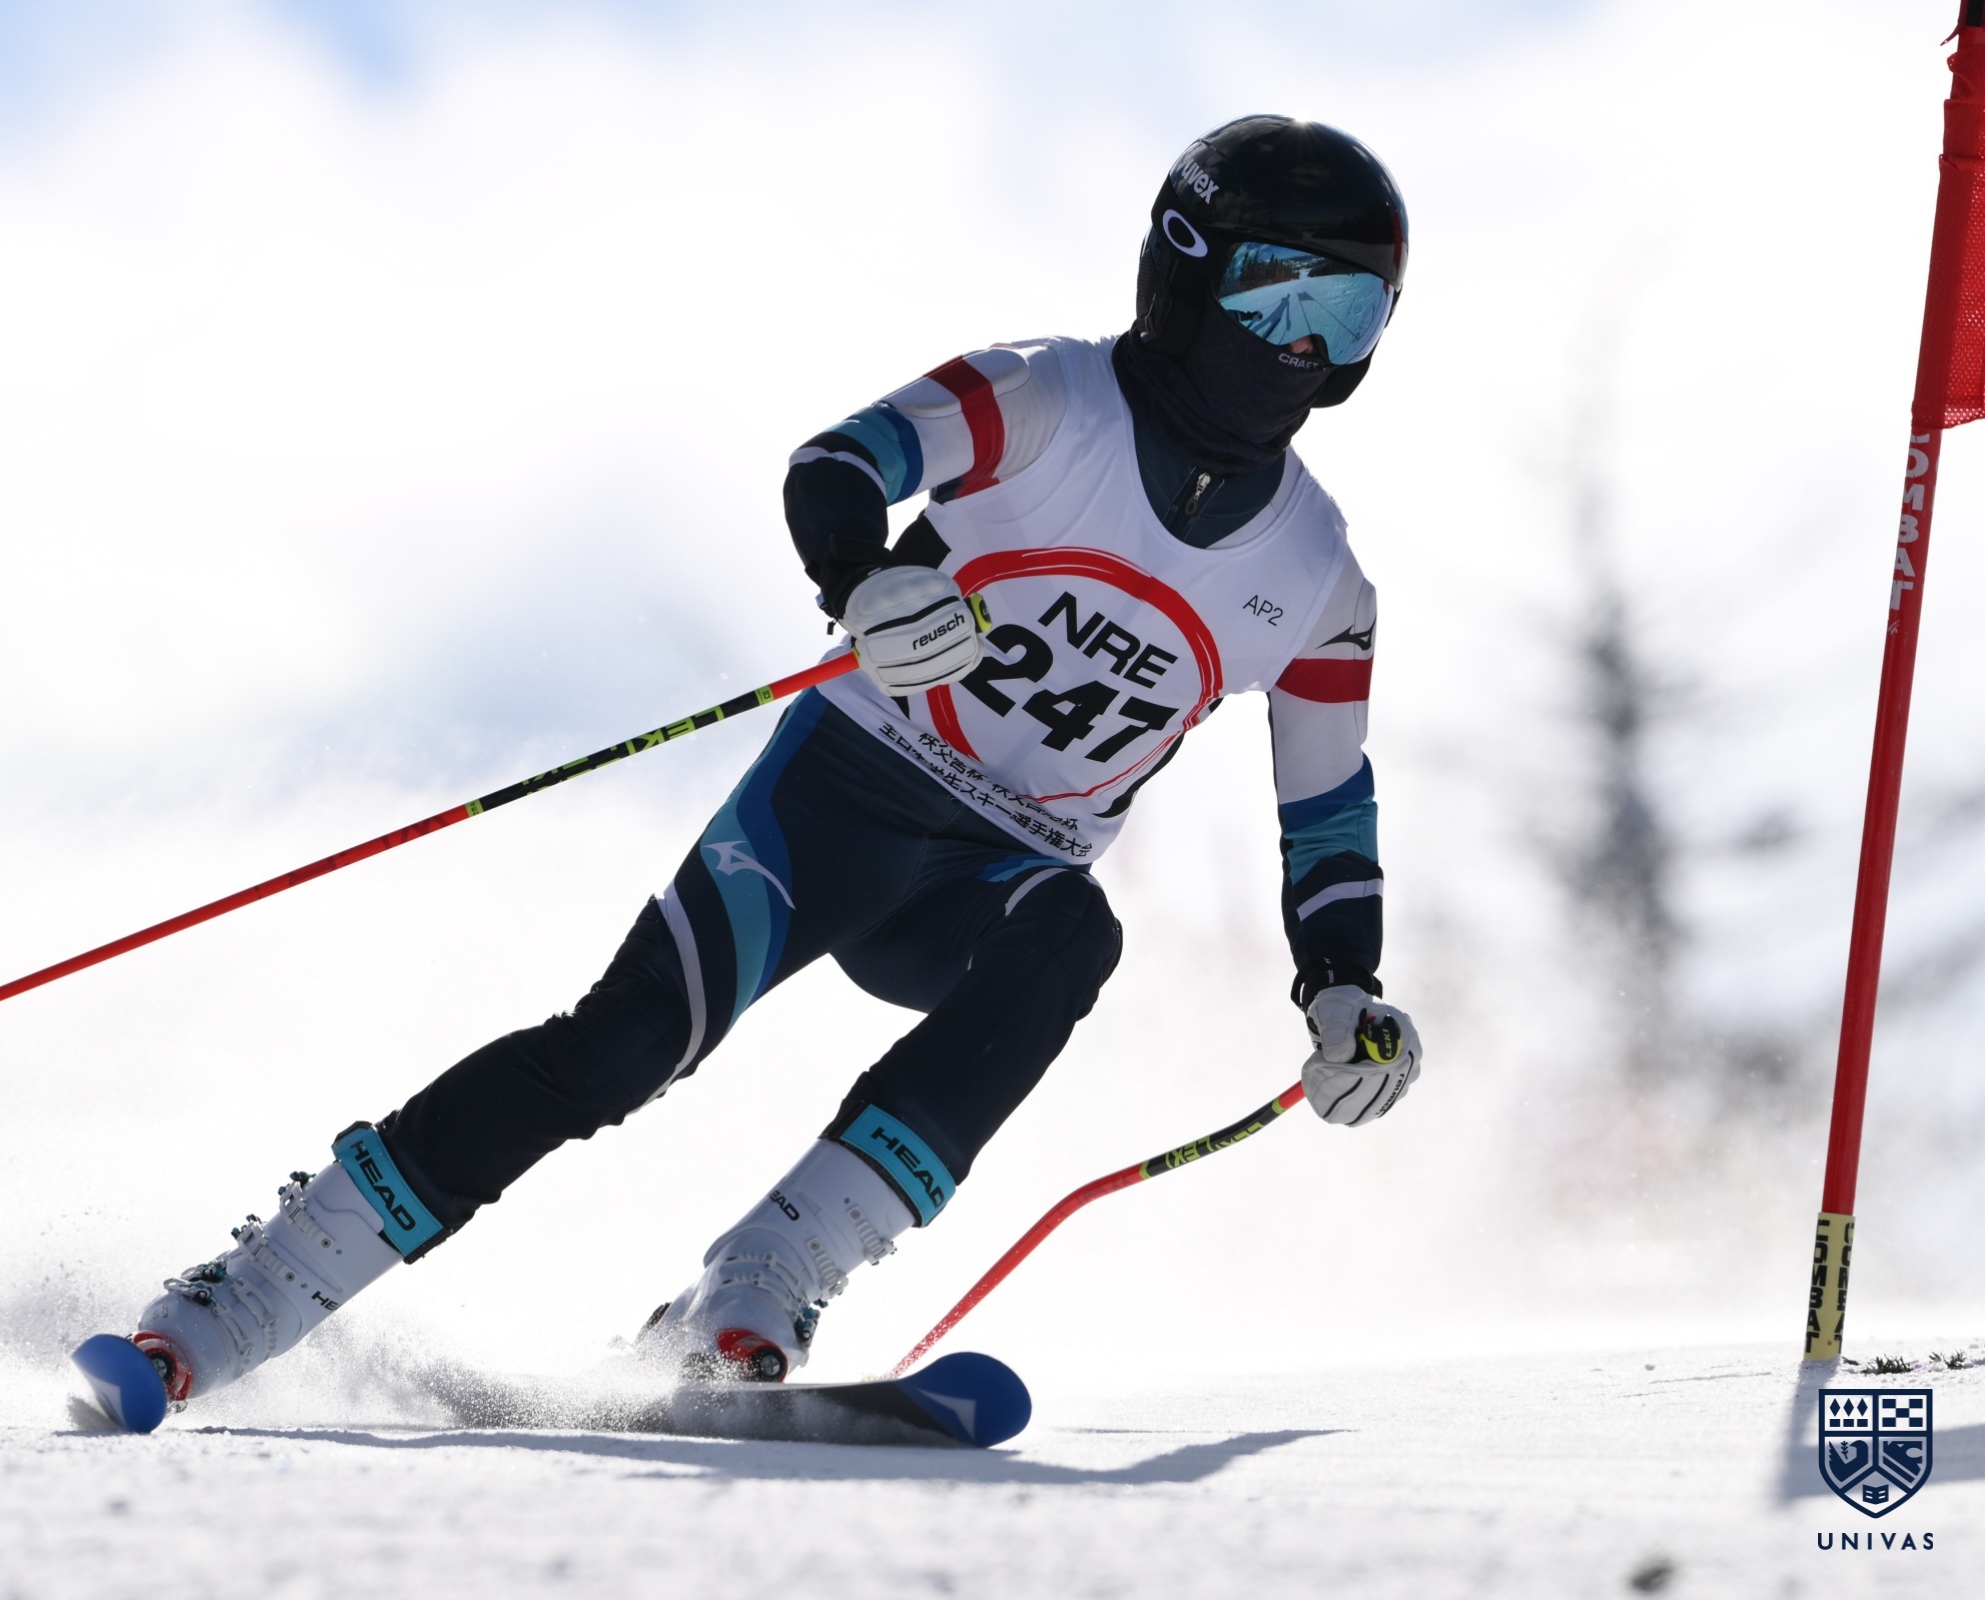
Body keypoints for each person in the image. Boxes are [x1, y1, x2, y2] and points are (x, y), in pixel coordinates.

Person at [108, 115, 1425, 1409]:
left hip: (998, 879)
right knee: (624, 1046)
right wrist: (861, 580)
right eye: (1276, 295)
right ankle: (257, 1288)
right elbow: (842, 461)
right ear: (1185, 270)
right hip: (841, 801)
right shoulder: (1044, 396)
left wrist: (1342, 987)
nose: (1302, 346)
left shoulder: (1318, 579)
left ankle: (763, 1280)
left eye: (1348, 315)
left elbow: (1327, 807)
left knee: (1074, 939)